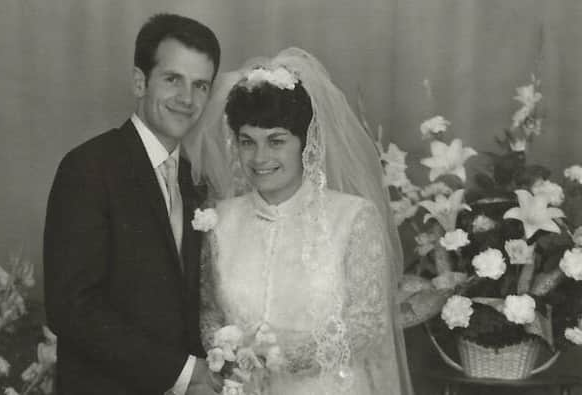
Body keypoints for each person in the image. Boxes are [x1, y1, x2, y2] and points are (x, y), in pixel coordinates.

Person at [185, 48, 414, 394]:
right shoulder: (221, 221)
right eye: (248, 142)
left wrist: (276, 357)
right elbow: (209, 312)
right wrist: (231, 355)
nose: (260, 158)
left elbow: (368, 325)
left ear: (305, 143)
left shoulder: (352, 217)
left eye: (276, 141)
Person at [43, 13, 221, 395]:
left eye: (201, 85)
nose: (187, 99)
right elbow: (72, 308)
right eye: (173, 79)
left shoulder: (197, 182)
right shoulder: (89, 167)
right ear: (140, 82)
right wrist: (185, 373)